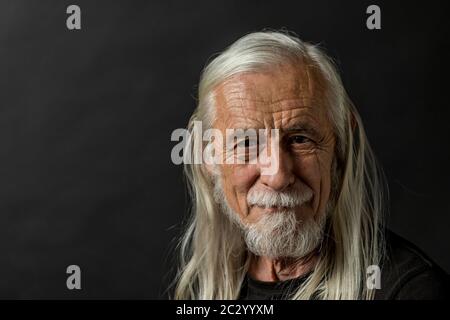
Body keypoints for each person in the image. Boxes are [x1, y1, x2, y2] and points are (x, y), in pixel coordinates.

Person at [173, 31, 448, 299]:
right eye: (246, 143)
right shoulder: (205, 287)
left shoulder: (410, 290)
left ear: (341, 146)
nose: (278, 176)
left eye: (300, 139)